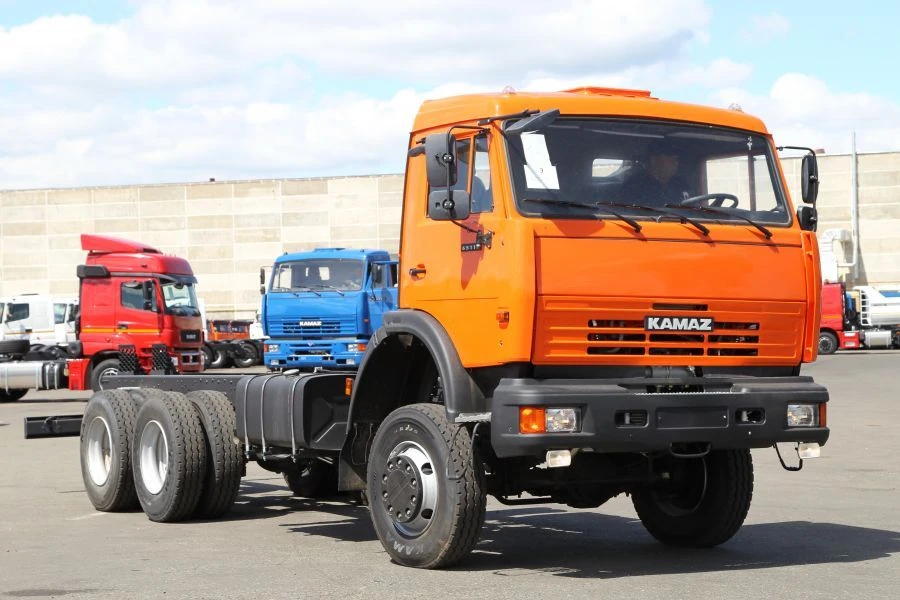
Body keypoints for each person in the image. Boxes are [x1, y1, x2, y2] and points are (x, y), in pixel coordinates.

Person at [623, 141, 691, 207]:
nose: (675, 163)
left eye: (676, 159)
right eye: (670, 159)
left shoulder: (680, 184)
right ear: (654, 160)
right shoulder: (634, 185)